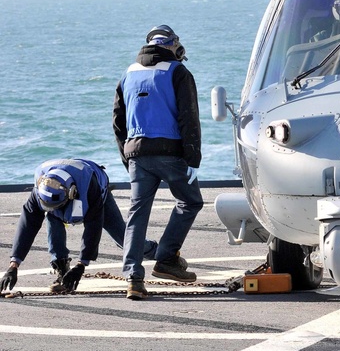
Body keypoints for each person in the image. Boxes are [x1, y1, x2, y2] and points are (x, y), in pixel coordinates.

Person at [113, 24, 203, 301]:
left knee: (137, 215)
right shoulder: (178, 72)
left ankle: (133, 278)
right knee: (191, 201)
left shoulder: (128, 73)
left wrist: (126, 158)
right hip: (171, 153)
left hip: (137, 154)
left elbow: (118, 122)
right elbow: (189, 117)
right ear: (173, 44)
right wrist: (193, 158)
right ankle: (165, 259)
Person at [0, 159, 159, 294]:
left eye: (59, 205)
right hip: (62, 189)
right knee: (53, 217)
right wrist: (14, 265)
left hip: (96, 189)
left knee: (124, 239)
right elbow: (27, 226)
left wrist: (82, 265)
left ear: (71, 193)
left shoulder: (89, 187)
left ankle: (162, 254)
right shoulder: (40, 192)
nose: (57, 210)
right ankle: (62, 269)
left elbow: (93, 229)